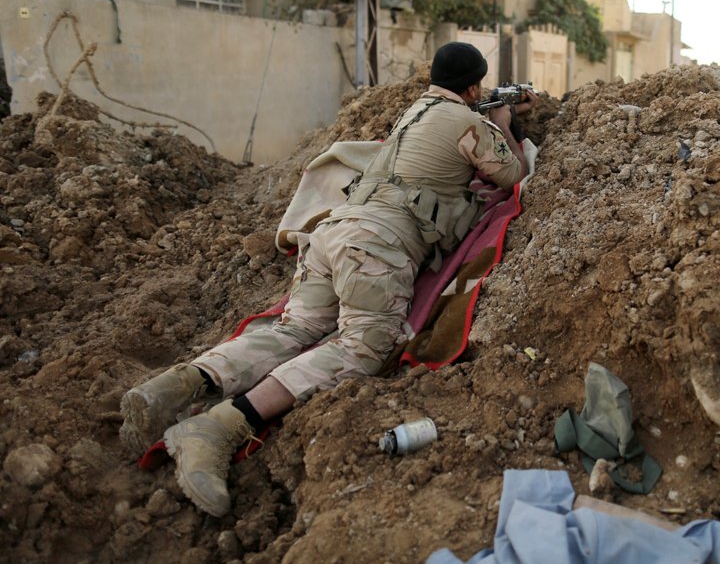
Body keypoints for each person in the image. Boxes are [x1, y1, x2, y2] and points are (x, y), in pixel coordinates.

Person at [120, 42, 533, 517]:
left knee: (294, 330)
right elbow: (512, 173)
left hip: (333, 233)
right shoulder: (469, 123)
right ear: (475, 87)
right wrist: (501, 122)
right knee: (365, 348)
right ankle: (218, 428)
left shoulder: (413, 112)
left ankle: (175, 386)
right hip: (375, 246)